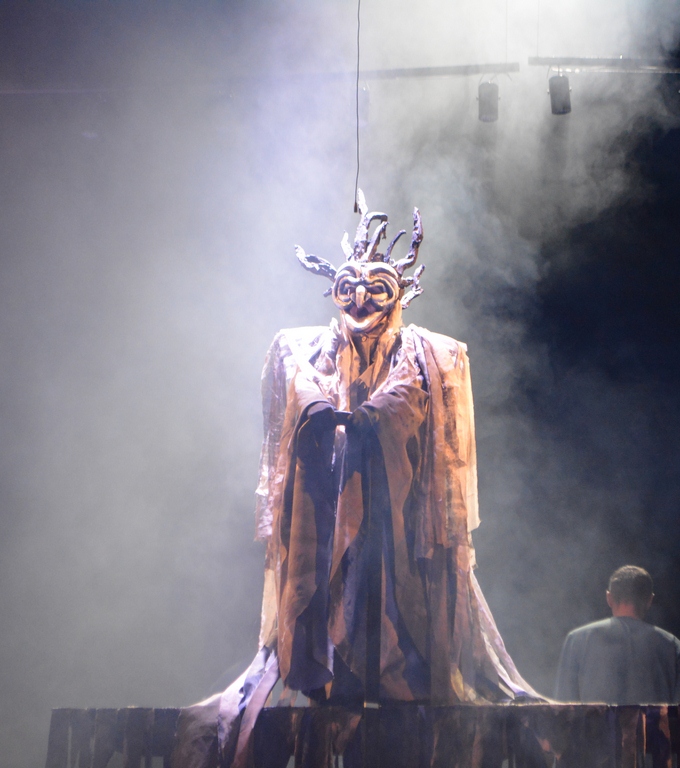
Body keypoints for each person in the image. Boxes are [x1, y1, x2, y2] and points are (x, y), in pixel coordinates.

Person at [174, 191, 538, 768]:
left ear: (401, 294)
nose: (361, 299)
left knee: (392, 594)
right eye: (348, 287)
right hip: (327, 504)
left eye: (377, 288)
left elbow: (418, 410)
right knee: (330, 589)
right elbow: (299, 388)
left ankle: (397, 674)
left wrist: (374, 417)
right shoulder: (304, 348)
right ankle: (328, 673)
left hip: (397, 513)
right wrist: (324, 411)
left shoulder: (430, 352)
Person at [554, 565, 680, 704]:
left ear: (609, 598)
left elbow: (563, 708)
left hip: (594, 720)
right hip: (653, 720)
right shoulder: (674, 647)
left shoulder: (577, 640)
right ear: (650, 600)